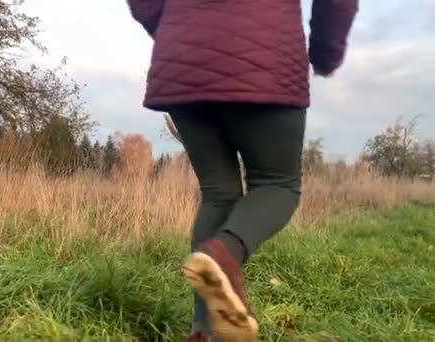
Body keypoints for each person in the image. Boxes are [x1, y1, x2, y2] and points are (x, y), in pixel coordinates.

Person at [126, 0, 358, 341]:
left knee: (218, 193)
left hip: (183, 63)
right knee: (279, 185)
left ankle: (205, 331)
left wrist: (172, 26)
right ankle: (224, 253)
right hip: (267, 62)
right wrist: (325, 53)